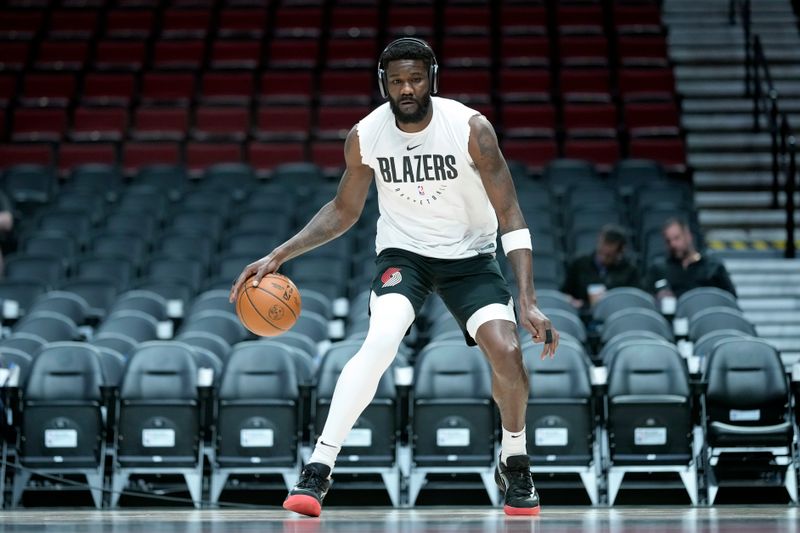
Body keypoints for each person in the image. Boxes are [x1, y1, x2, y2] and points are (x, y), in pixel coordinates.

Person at [230, 37, 559, 518]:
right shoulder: (366, 135)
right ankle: (319, 469)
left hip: (470, 255)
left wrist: (526, 300)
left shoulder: (471, 129)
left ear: (433, 80)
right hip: (404, 254)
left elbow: (510, 213)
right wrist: (279, 255)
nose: (406, 89)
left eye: (416, 78)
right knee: (381, 340)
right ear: (383, 83)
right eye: (397, 80)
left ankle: (515, 458)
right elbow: (343, 210)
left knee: (508, 351)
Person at [646, 217, 737, 299]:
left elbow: (731, 298)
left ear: (688, 236)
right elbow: (645, 298)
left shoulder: (713, 267)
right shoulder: (659, 269)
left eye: (677, 238)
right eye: (668, 241)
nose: (673, 244)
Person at [561, 224, 640, 309]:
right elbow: (565, 292)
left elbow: (635, 299)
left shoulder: (630, 271)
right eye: (601, 253)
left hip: (615, 315)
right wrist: (572, 301)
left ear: (619, 253)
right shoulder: (580, 264)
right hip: (582, 314)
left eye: (609, 255)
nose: (603, 258)